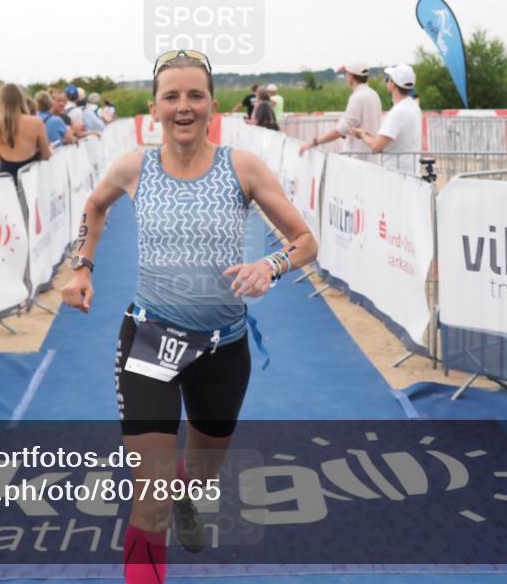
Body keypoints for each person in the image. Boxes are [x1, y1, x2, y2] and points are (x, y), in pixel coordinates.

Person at [61, 50, 317, 584]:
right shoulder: (134, 167)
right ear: (153, 108)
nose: (183, 107)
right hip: (151, 340)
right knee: (150, 500)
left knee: (197, 482)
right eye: (171, 97)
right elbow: (94, 206)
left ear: (213, 106)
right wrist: (83, 266)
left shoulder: (241, 167)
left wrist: (269, 266)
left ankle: (185, 488)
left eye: (194, 96)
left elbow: (303, 241)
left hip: (224, 348)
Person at [349, 63, 423, 173]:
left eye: (388, 79)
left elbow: (376, 147)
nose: (386, 82)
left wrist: (362, 135)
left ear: (393, 85)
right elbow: (388, 140)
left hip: (395, 175)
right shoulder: (414, 106)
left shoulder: (398, 112)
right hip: (411, 173)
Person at [299, 62, 381, 157]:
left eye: (347, 74)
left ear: (351, 76)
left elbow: (340, 130)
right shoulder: (374, 94)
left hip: (358, 158)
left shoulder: (357, 97)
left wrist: (314, 142)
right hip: (372, 157)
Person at [0, 83, 51, 181]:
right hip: (31, 179)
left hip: (7, 182)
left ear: (1, 101)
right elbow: (46, 155)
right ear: (22, 99)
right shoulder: (36, 122)